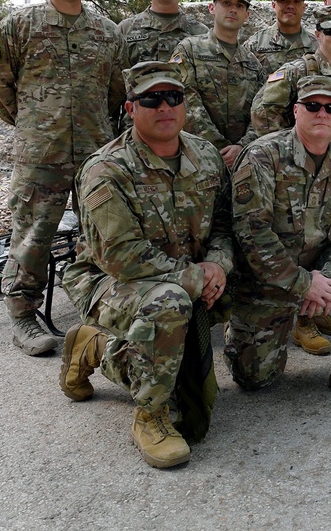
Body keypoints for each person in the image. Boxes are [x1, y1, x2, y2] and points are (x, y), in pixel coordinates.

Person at [60, 61, 234, 468]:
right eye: (151, 99)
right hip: (108, 280)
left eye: (174, 97)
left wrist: (219, 265)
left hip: (189, 274)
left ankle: (101, 347)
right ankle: (150, 414)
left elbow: (226, 225)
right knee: (170, 302)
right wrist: (196, 278)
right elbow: (122, 256)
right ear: (130, 108)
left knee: (260, 280)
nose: (164, 107)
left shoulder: (206, 155)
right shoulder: (107, 169)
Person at [0, 0, 127, 356]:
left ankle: (99, 307)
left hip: (95, 152)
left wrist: (90, 123)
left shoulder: (106, 31)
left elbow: (115, 90)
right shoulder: (18, 25)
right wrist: (31, 122)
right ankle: (23, 316)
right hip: (40, 153)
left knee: (101, 232)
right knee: (33, 233)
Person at [224, 76, 331, 404]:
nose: (322, 114)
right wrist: (305, 285)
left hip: (319, 266)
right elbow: (252, 233)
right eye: (312, 106)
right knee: (255, 379)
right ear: (296, 111)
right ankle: (245, 327)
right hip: (267, 279)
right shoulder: (262, 156)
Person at [251, 5, 331, 355]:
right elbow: (263, 113)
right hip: (296, 175)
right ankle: (301, 321)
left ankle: (319, 310)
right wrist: (287, 157)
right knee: (300, 240)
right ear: (317, 34)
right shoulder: (295, 71)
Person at [169, 0, 266, 169]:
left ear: (246, 15)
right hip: (196, 157)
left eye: (239, 5)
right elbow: (184, 99)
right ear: (212, 8)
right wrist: (218, 147)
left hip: (241, 161)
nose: (233, 10)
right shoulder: (189, 50)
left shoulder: (253, 63)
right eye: (226, 3)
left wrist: (242, 146)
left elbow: (262, 110)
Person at [242, 0, 317, 75]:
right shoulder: (255, 44)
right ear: (273, 6)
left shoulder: (317, 46)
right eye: (283, 1)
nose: (290, 6)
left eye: (296, 1)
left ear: (304, 7)